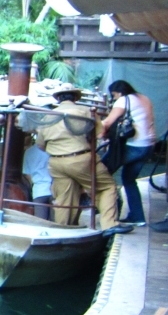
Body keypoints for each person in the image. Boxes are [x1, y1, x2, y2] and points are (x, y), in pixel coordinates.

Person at [36, 86, 131, 236]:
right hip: (80, 158)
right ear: (75, 98)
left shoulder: (47, 116)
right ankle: (109, 225)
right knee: (106, 187)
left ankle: (61, 230)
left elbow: (41, 145)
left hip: (56, 162)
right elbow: (100, 134)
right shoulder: (85, 111)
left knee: (64, 198)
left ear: (58, 99)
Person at [100, 80, 156, 226]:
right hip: (148, 145)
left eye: (114, 96)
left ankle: (107, 212)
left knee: (101, 172)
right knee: (129, 180)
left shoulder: (124, 100)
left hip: (134, 146)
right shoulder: (144, 98)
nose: (114, 99)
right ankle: (138, 217)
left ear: (118, 92)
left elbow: (107, 122)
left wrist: (95, 132)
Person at [22, 136, 53, 220]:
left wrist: (32, 186)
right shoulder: (52, 150)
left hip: (38, 191)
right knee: (55, 222)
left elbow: (27, 175)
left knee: (40, 221)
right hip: (53, 189)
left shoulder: (28, 152)